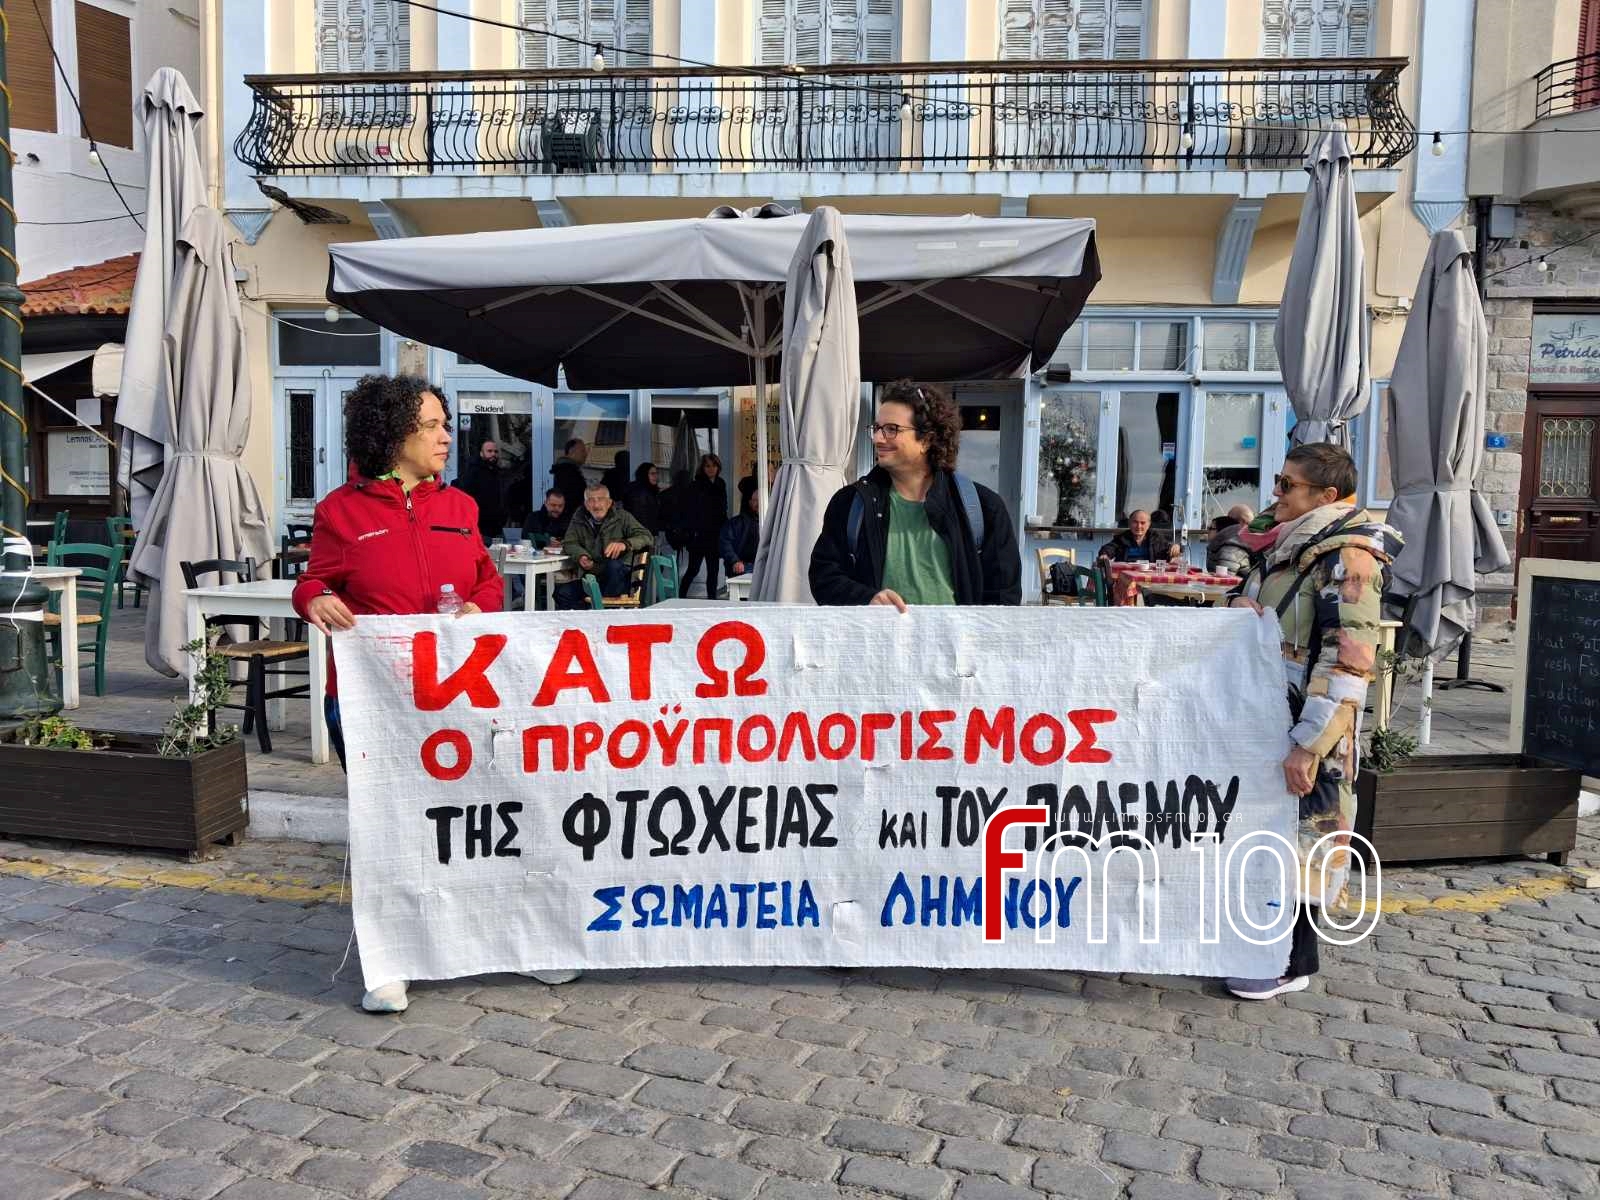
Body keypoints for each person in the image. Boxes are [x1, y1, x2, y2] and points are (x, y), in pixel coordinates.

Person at [291, 375, 581, 1012]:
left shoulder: (461, 507)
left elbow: (485, 581)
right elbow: (313, 582)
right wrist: (315, 600)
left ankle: (519, 943)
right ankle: (391, 960)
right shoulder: (340, 512)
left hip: (459, 694)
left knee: (490, 821)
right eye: (431, 426)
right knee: (392, 830)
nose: (446, 436)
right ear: (393, 434)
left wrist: (479, 607)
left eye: (445, 424)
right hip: (376, 702)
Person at [1223, 444, 1401, 1001]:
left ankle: (1292, 960)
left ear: (1326, 495)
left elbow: (1349, 659)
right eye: (1278, 481)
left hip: (1309, 723)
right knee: (1272, 832)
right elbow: (1265, 607)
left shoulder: (1348, 557)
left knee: (1307, 834)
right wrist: (1239, 607)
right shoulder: (1291, 545)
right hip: (1273, 712)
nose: (1276, 493)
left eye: (1288, 484)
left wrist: (1311, 744)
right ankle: (1261, 945)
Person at [810, 380, 1021, 608]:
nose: (877, 438)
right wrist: (866, 598)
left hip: (956, 633)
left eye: (891, 429)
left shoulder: (983, 508)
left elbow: (1003, 600)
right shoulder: (850, 503)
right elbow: (824, 577)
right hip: (878, 632)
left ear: (927, 440)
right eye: (877, 428)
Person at [555, 484, 653, 609]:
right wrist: (581, 556)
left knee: (614, 566)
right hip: (593, 577)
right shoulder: (579, 518)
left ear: (609, 502)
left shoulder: (622, 517)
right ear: (586, 504)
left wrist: (625, 544)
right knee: (562, 593)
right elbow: (569, 542)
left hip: (619, 580)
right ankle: (590, 616)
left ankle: (604, 613)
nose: (596, 505)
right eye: (591, 500)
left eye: (600, 499)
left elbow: (647, 537)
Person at [683, 453, 729, 600]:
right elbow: (690, 511)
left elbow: (723, 508)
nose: (711, 469)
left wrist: (724, 530)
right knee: (693, 569)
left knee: (713, 570)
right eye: (707, 466)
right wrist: (692, 532)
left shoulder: (720, 484)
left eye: (714, 466)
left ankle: (712, 601)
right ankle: (680, 596)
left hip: (715, 534)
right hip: (699, 535)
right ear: (702, 468)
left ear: (718, 467)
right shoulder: (695, 485)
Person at [454, 439, 505, 543]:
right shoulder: (472, 473)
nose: (493, 454)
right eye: (489, 451)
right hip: (480, 529)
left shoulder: (497, 473)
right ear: (481, 453)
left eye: (495, 451)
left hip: (497, 528)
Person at [1097, 509, 1181, 564]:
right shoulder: (1122, 538)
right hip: (1126, 576)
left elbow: (1168, 550)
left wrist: (1176, 548)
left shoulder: (1156, 538)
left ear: (1149, 525)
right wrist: (1105, 554)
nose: (1139, 526)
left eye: (1143, 523)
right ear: (1129, 523)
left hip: (1149, 577)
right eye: (1135, 522)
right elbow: (1109, 548)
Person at [721, 476, 760, 579]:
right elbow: (725, 544)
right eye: (755, 500)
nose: (759, 503)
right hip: (741, 568)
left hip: (762, 568)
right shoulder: (734, 523)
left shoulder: (768, 522)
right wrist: (735, 561)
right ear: (748, 501)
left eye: (760, 500)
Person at [1206, 503, 1256, 576]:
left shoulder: (1231, 548)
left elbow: (1224, 580)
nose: (1227, 521)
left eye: (1211, 528)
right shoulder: (1227, 544)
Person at [625, 461, 665, 538]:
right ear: (644, 475)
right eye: (652, 474)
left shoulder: (649, 490)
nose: (656, 476)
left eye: (657, 473)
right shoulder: (640, 492)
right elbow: (640, 517)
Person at [551, 437, 589, 514]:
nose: (585, 454)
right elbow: (571, 500)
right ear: (571, 451)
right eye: (582, 451)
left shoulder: (568, 469)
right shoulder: (567, 472)